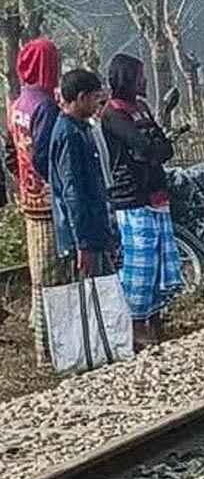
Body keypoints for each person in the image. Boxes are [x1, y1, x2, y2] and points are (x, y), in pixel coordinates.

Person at [101, 54, 183, 349]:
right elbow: (144, 146)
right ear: (126, 79)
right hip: (132, 198)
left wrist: (153, 151)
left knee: (159, 262)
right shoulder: (112, 114)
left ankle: (155, 320)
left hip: (156, 195)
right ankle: (135, 326)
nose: (144, 80)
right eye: (139, 76)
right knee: (140, 266)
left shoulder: (142, 108)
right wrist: (153, 151)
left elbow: (164, 148)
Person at [5, 37, 62, 364]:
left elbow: (12, 153)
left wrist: (23, 179)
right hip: (50, 202)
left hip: (28, 198)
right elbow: (46, 155)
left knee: (40, 276)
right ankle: (52, 351)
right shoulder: (46, 106)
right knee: (56, 277)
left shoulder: (16, 104)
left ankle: (42, 343)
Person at [49, 69, 116, 289]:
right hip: (83, 235)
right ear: (81, 98)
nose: (98, 105)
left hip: (95, 229)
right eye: (95, 98)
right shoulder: (69, 134)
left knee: (104, 292)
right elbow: (72, 192)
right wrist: (82, 244)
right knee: (88, 297)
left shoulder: (81, 129)